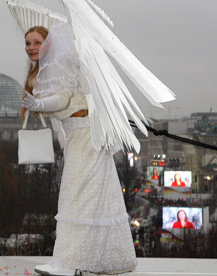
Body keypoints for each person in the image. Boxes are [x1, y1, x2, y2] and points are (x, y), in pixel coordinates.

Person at [22, 24, 137, 275]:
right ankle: (112, 259)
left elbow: (62, 99)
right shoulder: (50, 69)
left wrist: (38, 102)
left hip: (86, 136)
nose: (31, 47)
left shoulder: (61, 66)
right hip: (81, 135)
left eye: (36, 42)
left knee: (77, 197)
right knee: (99, 196)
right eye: (28, 43)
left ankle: (70, 262)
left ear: (50, 43)